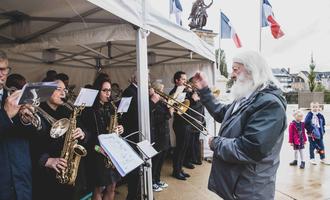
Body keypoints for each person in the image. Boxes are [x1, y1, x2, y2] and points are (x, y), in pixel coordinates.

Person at [193, 50, 287, 199]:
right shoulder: (247, 96)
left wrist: (215, 143)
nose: (231, 75)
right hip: (238, 184)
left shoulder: (269, 104)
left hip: (250, 189)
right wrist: (204, 90)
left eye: (235, 69)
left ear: (252, 70)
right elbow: (222, 113)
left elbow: (250, 149)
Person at [30, 79, 87, 200]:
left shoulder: (68, 111)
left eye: (64, 90)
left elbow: (86, 131)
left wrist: (82, 133)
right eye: (58, 89)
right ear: (47, 91)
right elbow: (30, 143)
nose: (63, 93)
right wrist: (46, 160)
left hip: (66, 168)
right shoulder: (36, 111)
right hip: (46, 175)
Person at [0, 50, 36, 200]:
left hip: (21, 180)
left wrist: (27, 121)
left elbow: (36, 135)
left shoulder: (14, 97)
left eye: (4, 69)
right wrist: (6, 114)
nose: (1, 74)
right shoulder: (10, 104)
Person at [81, 77, 123, 200]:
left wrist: (120, 128)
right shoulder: (89, 110)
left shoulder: (110, 107)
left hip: (111, 151)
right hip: (97, 151)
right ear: (97, 91)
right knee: (98, 188)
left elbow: (114, 125)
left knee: (112, 186)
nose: (108, 93)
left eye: (109, 90)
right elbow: (88, 134)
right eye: (104, 90)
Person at [170, 71, 192, 180]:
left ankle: (180, 168)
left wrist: (192, 95)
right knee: (179, 148)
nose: (185, 81)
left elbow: (192, 104)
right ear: (177, 81)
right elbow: (172, 107)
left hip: (187, 122)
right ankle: (176, 171)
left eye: (185, 79)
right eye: (183, 79)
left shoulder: (186, 91)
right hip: (179, 123)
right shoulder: (173, 92)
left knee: (184, 148)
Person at [150, 82, 172, 192]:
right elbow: (157, 119)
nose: (163, 93)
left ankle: (157, 179)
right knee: (156, 160)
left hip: (165, 134)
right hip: (158, 135)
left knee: (162, 159)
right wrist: (169, 111)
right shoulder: (155, 103)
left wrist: (169, 107)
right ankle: (152, 181)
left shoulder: (162, 102)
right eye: (161, 90)